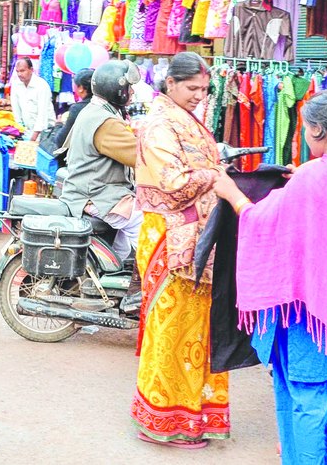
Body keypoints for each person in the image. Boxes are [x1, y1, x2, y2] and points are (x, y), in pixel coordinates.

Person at [214, 90, 327, 462]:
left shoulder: (314, 176)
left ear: (316, 130)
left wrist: (233, 195)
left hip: (310, 307)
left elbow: (265, 224)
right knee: (324, 395)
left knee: (303, 400)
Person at [131, 52, 230, 449]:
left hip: (195, 237)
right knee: (171, 329)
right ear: (170, 83)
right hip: (170, 239)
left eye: (205, 90)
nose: (199, 96)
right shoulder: (159, 123)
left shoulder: (184, 118)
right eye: (192, 89)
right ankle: (165, 420)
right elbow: (174, 181)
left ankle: (194, 414)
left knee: (196, 328)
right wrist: (217, 177)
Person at [60, 62, 142, 259]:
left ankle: (118, 284)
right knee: (149, 226)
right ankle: (151, 281)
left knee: (120, 250)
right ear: (117, 89)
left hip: (94, 191)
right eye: (128, 87)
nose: (131, 92)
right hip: (97, 195)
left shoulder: (94, 111)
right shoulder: (106, 122)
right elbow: (141, 157)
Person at [10, 57, 54, 140]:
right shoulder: (16, 85)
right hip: (26, 131)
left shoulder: (41, 85)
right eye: (17, 71)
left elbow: (43, 114)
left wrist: (34, 137)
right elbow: (16, 111)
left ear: (31, 70)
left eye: (22, 71)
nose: (19, 74)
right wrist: (19, 131)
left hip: (44, 132)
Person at [51, 68, 94, 150]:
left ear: (81, 88)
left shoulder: (77, 109)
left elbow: (61, 141)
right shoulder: (104, 104)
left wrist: (58, 125)